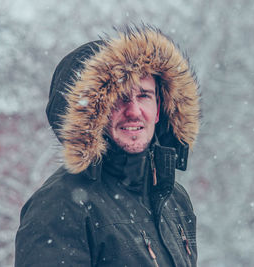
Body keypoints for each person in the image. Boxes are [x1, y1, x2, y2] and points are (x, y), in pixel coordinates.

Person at [15, 25, 200, 266]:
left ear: (158, 110)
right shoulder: (60, 206)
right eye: (119, 98)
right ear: (93, 114)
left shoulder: (173, 198)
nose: (134, 111)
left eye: (144, 95)